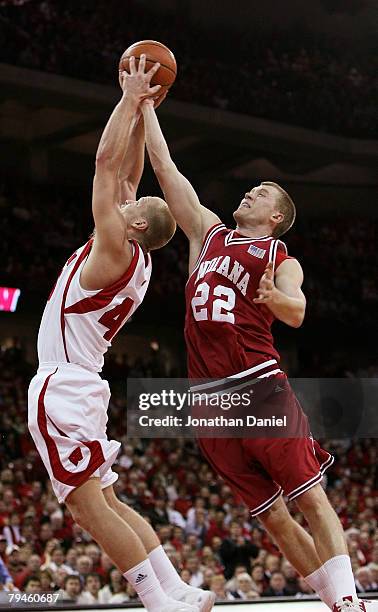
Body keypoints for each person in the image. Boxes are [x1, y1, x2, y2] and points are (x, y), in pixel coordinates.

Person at [136, 71, 378, 612]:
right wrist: (144, 107)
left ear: (276, 218)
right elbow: (166, 170)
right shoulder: (208, 233)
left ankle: (350, 601)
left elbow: (298, 311)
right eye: (252, 187)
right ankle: (333, 601)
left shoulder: (278, 257)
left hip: (258, 386)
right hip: (209, 402)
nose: (251, 191)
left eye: (262, 192)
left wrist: (275, 299)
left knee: (309, 496)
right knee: (271, 516)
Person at [27, 55, 212, 612]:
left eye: (131, 206)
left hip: (62, 385)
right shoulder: (139, 259)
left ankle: (158, 603)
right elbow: (126, 176)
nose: (124, 200)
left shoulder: (112, 248)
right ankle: (177, 589)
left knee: (87, 508)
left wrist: (130, 97)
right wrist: (140, 113)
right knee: (109, 499)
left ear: (132, 224)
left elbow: (106, 168)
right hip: (85, 385)